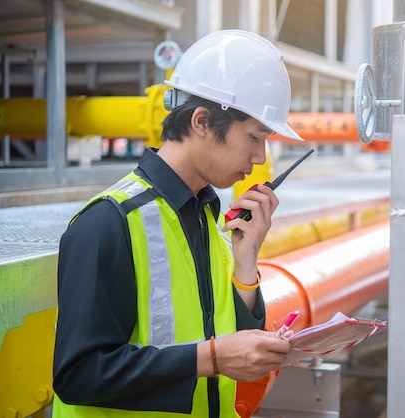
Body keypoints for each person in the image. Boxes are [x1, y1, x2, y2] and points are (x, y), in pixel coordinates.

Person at [52, 30, 304, 417]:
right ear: (202, 122)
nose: (259, 156)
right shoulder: (110, 220)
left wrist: (246, 259)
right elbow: (79, 375)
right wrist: (211, 358)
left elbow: (225, 333)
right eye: (255, 136)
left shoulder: (205, 213)